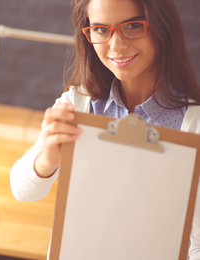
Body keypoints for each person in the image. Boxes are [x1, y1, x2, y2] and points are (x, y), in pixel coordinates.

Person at [10, 0, 200, 258]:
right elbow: (23, 190)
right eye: (100, 29)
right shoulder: (77, 103)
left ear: (162, 26)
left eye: (132, 26)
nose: (116, 45)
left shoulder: (194, 125)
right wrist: (48, 157)